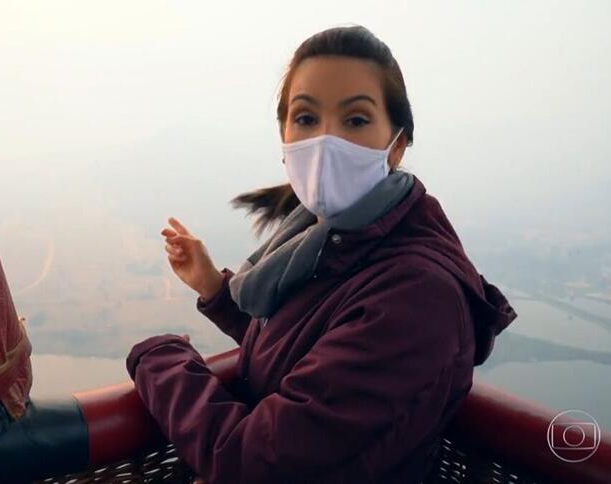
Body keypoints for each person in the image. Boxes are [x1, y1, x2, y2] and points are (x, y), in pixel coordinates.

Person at [126, 25, 517, 483]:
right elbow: (307, 342)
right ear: (284, 135)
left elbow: (250, 463)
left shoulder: (417, 296)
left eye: (355, 120)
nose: (326, 141)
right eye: (307, 119)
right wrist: (215, 289)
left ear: (398, 144)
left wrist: (159, 359)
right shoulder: (334, 241)